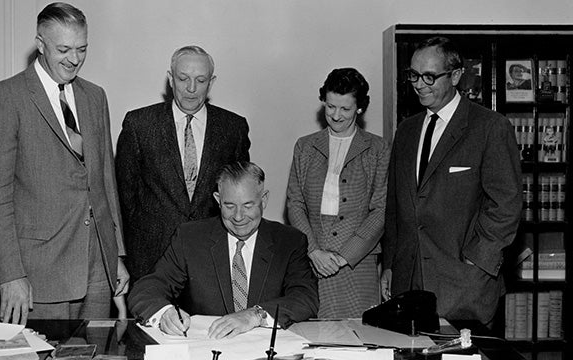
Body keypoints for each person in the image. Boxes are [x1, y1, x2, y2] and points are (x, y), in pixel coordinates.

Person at [0, 2, 128, 324]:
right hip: (37, 275)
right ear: (40, 44)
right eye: (64, 49)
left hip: (97, 270)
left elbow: (104, 182)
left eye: (82, 49)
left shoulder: (95, 96)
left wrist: (116, 256)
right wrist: (9, 275)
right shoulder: (4, 97)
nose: (74, 59)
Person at [381, 36, 522, 326]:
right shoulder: (407, 131)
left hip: (465, 287)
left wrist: (478, 259)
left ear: (456, 75)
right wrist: (391, 265)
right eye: (414, 75)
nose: (420, 84)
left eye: (430, 76)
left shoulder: (490, 128)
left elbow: (506, 205)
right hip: (408, 285)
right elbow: (395, 206)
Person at [128, 162, 318, 339]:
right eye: (229, 205)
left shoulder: (289, 241)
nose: (238, 216)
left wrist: (255, 315)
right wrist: (164, 312)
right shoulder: (190, 237)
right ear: (218, 200)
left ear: (264, 199)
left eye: (248, 205)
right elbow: (145, 290)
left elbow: (305, 298)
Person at [115, 45, 251, 280]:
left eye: (200, 80)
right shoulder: (139, 124)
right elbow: (123, 198)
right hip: (150, 263)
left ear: (212, 82)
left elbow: (239, 197)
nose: (191, 89)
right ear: (170, 79)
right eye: (183, 78)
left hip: (211, 261)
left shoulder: (233, 128)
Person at [286, 68, 389, 318]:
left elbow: (381, 210)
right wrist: (313, 251)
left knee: (359, 340)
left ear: (360, 108)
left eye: (345, 109)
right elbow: (295, 203)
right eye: (330, 106)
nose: (336, 115)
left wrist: (344, 256)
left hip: (358, 264)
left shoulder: (378, 148)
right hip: (312, 261)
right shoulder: (305, 146)